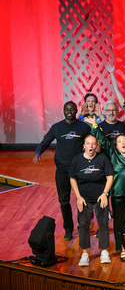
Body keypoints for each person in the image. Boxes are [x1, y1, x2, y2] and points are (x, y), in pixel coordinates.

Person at [90, 101, 125, 261]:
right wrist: (95, 126)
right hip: (118, 194)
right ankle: (122, 249)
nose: (123, 143)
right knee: (119, 223)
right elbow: (103, 140)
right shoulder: (112, 154)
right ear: (117, 144)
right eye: (120, 141)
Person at [34, 101, 92, 240]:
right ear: (63, 111)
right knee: (64, 201)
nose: (69, 111)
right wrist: (38, 152)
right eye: (67, 109)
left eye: (72, 109)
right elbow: (45, 141)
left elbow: (92, 143)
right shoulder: (57, 127)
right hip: (62, 171)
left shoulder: (83, 127)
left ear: (76, 110)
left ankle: (83, 225)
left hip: (80, 170)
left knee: (82, 199)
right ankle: (68, 228)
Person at [69, 135, 114, 266]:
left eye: (93, 144)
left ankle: (104, 251)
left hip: (100, 198)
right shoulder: (77, 160)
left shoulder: (102, 158)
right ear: (84, 146)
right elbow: (72, 178)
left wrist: (105, 194)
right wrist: (78, 197)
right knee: (83, 226)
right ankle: (84, 253)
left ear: (97, 145)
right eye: (88, 143)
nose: (91, 146)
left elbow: (110, 176)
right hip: (84, 199)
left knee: (103, 224)